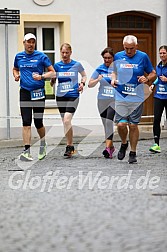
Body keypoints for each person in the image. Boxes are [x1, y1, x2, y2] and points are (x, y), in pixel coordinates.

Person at [111, 35, 156, 163]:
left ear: (136, 46)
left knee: (133, 125)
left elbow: (153, 73)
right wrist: (113, 79)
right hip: (121, 95)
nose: (129, 51)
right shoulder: (119, 56)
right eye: (126, 48)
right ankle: (124, 143)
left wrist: (146, 79)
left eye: (131, 48)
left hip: (136, 97)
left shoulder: (143, 57)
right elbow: (113, 71)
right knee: (121, 124)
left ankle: (133, 152)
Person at [13, 33, 55, 161]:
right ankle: (26, 151)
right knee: (26, 122)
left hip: (38, 92)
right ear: (24, 43)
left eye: (33, 42)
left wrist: (41, 76)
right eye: (28, 42)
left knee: (38, 122)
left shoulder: (41, 56)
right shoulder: (19, 56)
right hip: (25, 92)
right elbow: (15, 68)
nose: (30, 44)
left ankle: (43, 144)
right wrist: (16, 75)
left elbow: (53, 72)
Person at [51, 43, 87, 157]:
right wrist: (52, 80)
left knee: (67, 120)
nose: (65, 55)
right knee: (65, 122)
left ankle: (69, 145)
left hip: (73, 95)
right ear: (60, 53)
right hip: (61, 96)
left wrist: (82, 83)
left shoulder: (76, 64)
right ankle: (70, 146)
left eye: (67, 52)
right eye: (63, 52)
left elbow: (84, 75)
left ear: (71, 52)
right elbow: (53, 80)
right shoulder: (57, 66)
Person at [88, 47, 115, 158]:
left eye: (109, 58)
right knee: (105, 124)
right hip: (102, 100)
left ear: (113, 58)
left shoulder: (116, 69)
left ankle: (107, 148)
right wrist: (98, 79)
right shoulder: (100, 68)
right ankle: (111, 146)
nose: (107, 60)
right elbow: (90, 84)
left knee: (109, 121)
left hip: (114, 99)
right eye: (105, 58)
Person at [149, 45, 167, 153]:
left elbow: (164, 79)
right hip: (159, 96)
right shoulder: (159, 65)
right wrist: (153, 84)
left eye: (164, 53)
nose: (162, 55)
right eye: (160, 53)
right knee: (156, 119)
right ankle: (156, 144)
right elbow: (158, 79)